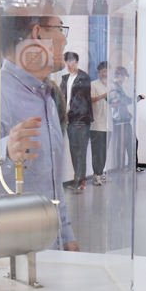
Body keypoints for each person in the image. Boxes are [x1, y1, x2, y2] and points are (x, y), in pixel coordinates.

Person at [0, 7, 78, 252]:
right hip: (10, 252)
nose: (64, 40)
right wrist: (4, 150)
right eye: (59, 28)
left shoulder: (46, 96)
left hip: (47, 245)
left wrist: (65, 234)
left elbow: (50, 181)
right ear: (38, 34)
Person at [61, 51, 93, 192]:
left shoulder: (83, 78)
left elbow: (81, 101)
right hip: (69, 120)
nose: (68, 65)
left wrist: (69, 114)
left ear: (77, 62)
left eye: (70, 61)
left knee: (80, 151)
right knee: (74, 150)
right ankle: (77, 179)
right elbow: (62, 98)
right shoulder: (65, 79)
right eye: (66, 62)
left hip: (80, 119)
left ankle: (80, 181)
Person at [89, 62, 109, 185]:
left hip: (109, 124)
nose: (105, 73)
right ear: (99, 72)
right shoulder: (93, 85)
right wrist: (104, 95)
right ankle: (96, 175)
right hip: (96, 124)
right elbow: (90, 100)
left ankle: (101, 173)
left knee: (104, 151)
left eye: (107, 71)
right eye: (103, 71)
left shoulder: (112, 85)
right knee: (97, 151)